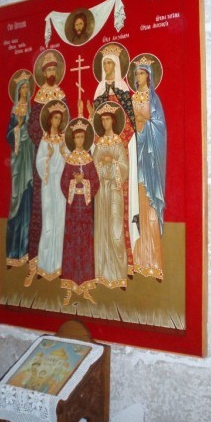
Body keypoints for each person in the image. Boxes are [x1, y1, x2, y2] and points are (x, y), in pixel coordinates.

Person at [88, 44, 139, 274]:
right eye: (104, 63)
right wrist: (94, 125)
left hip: (121, 151)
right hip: (102, 154)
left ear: (117, 66)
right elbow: (95, 127)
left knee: (119, 216)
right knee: (102, 217)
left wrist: (117, 142)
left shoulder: (123, 91)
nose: (107, 66)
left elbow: (130, 123)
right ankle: (102, 264)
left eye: (110, 63)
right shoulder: (99, 92)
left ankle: (124, 262)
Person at [24, 51, 67, 286]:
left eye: (54, 69)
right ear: (43, 73)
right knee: (41, 212)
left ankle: (59, 262)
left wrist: (60, 142)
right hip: (43, 161)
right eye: (48, 70)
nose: (51, 73)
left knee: (59, 214)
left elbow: (68, 125)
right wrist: (45, 140)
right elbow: (33, 126)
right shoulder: (39, 96)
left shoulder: (61, 95)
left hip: (61, 160)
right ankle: (37, 263)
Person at [131, 55, 167, 280]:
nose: (138, 77)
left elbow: (160, 127)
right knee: (138, 207)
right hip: (136, 155)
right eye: (136, 74)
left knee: (150, 209)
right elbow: (128, 127)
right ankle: (139, 259)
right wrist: (136, 125)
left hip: (150, 160)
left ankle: (153, 262)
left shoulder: (153, 100)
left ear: (149, 76)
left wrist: (145, 124)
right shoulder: (134, 98)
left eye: (142, 73)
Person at [60, 119, 99, 306]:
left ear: (85, 138)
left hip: (85, 209)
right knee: (71, 245)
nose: (80, 140)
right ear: (73, 139)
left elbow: (96, 182)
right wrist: (75, 182)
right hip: (72, 209)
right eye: (77, 137)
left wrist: (84, 181)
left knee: (85, 244)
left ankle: (85, 288)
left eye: (82, 137)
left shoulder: (89, 160)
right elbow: (63, 183)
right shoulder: (69, 160)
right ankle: (69, 289)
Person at [93, 103, 129, 289]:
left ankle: (119, 274)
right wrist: (101, 164)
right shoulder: (99, 143)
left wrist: (112, 162)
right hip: (102, 191)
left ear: (113, 121)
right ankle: (102, 273)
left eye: (107, 119)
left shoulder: (118, 142)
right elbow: (93, 167)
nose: (105, 122)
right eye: (102, 119)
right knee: (102, 228)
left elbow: (125, 168)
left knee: (115, 230)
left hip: (114, 189)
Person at [36, 101, 68, 281]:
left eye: (59, 119)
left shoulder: (63, 140)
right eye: (55, 118)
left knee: (60, 222)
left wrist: (63, 153)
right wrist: (47, 156)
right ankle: (44, 265)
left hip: (61, 184)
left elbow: (70, 159)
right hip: (49, 185)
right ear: (49, 120)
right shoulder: (44, 141)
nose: (57, 121)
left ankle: (58, 266)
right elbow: (39, 163)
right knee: (48, 223)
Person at [5, 72, 34, 267]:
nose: (25, 90)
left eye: (26, 88)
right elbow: (9, 135)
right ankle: (13, 251)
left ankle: (25, 251)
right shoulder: (15, 110)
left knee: (27, 203)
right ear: (18, 91)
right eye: (22, 87)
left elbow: (34, 133)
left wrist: (28, 131)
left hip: (29, 158)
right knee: (16, 201)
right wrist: (19, 128)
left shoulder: (30, 110)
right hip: (18, 159)